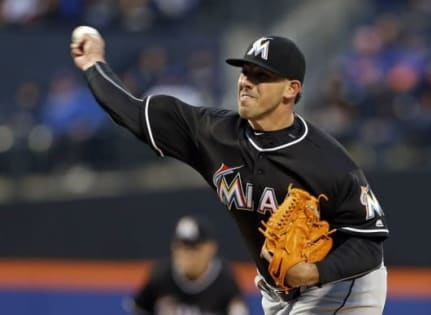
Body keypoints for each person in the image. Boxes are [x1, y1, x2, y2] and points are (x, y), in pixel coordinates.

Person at [71, 32, 389, 314]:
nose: (246, 81)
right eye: (245, 71)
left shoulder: (328, 161)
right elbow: (132, 112)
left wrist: (314, 271)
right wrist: (94, 63)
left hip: (344, 288)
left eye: (262, 75)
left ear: (291, 89)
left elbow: (370, 246)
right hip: (278, 291)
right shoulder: (212, 134)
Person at [129, 215, 249, 315]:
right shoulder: (161, 275)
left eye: (194, 248)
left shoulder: (224, 279)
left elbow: (238, 310)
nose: (186, 254)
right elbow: (139, 309)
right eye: (181, 247)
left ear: (211, 248)